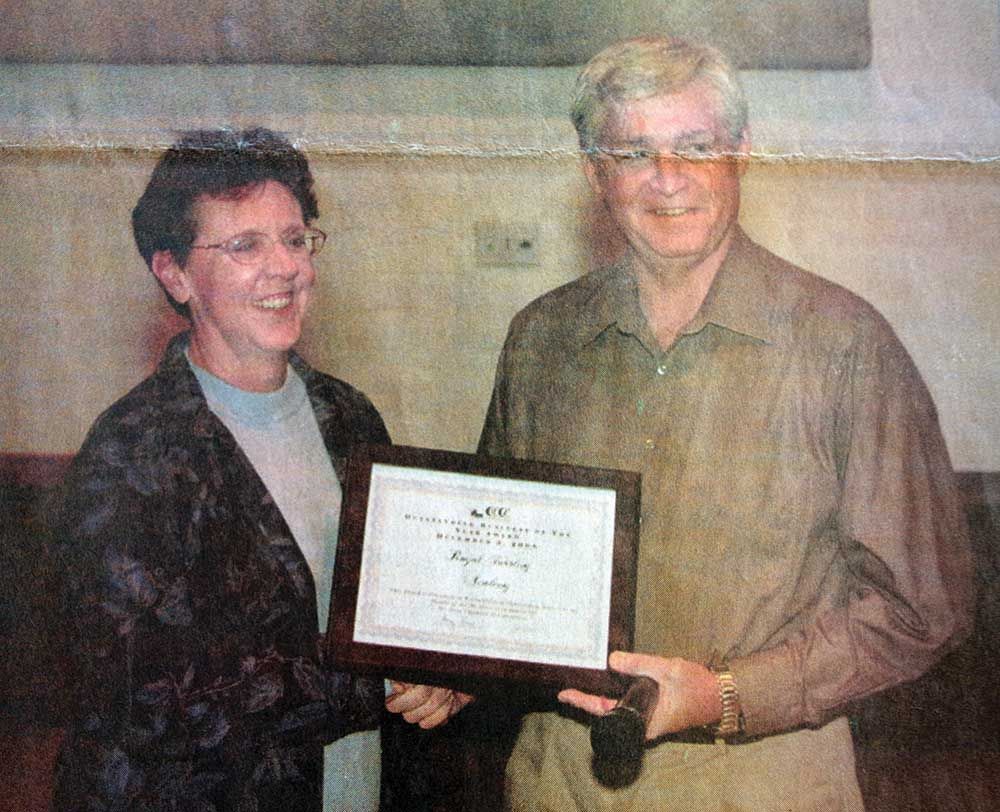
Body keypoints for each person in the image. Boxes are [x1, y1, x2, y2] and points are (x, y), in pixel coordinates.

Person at [478, 36, 974, 810]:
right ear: (593, 173)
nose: (668, 179)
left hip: (761, 780)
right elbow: (501, 567)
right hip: (558, 779)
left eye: (696, 147)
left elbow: (920, 606)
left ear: (742, 152)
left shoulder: (845, 344)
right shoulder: (540, 337)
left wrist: (724, 696)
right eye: (634, 151)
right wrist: (443, 668)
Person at [53, 127, 463, 811]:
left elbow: (402, 607)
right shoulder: (128, 453)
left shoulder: (348, 417)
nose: (284, 268)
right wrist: (373, 686)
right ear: (175, 274)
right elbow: (146, 693)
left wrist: (447, 669)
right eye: (244, 246)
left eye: (295, 238)